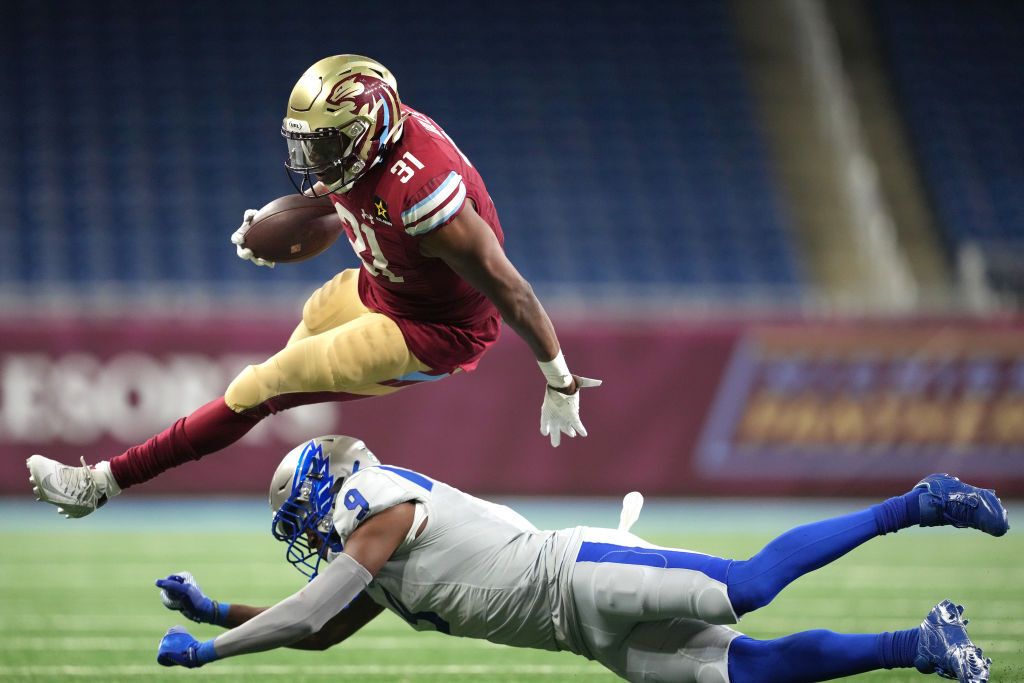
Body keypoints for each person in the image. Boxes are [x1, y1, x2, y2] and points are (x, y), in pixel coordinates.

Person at [25, 54, 599, 519]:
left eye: (324, 145)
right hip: (381, 289)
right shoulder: (371, 138)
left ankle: (100, 483)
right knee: (296, 344)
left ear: (368, 132)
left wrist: (559, 380)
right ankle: (269, 419)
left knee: (261, 383)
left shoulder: (425, 194)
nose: (312, 159)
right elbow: (348, 208)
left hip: (431, 331)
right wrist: (281, 230)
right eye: (308, 142)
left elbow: (512, 291)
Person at [153, 435, 1006, 682]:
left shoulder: (370, 501)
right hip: (581, 635)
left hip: (579, 570)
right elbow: (323, 633)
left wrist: (210, 654)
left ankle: (918, 502)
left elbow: (305, 610)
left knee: (746, 587)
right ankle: (920, 645)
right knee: (745, 676)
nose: (307, 530)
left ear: (321, 492)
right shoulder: (376, 564)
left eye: (299, 513)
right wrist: (214, 609)